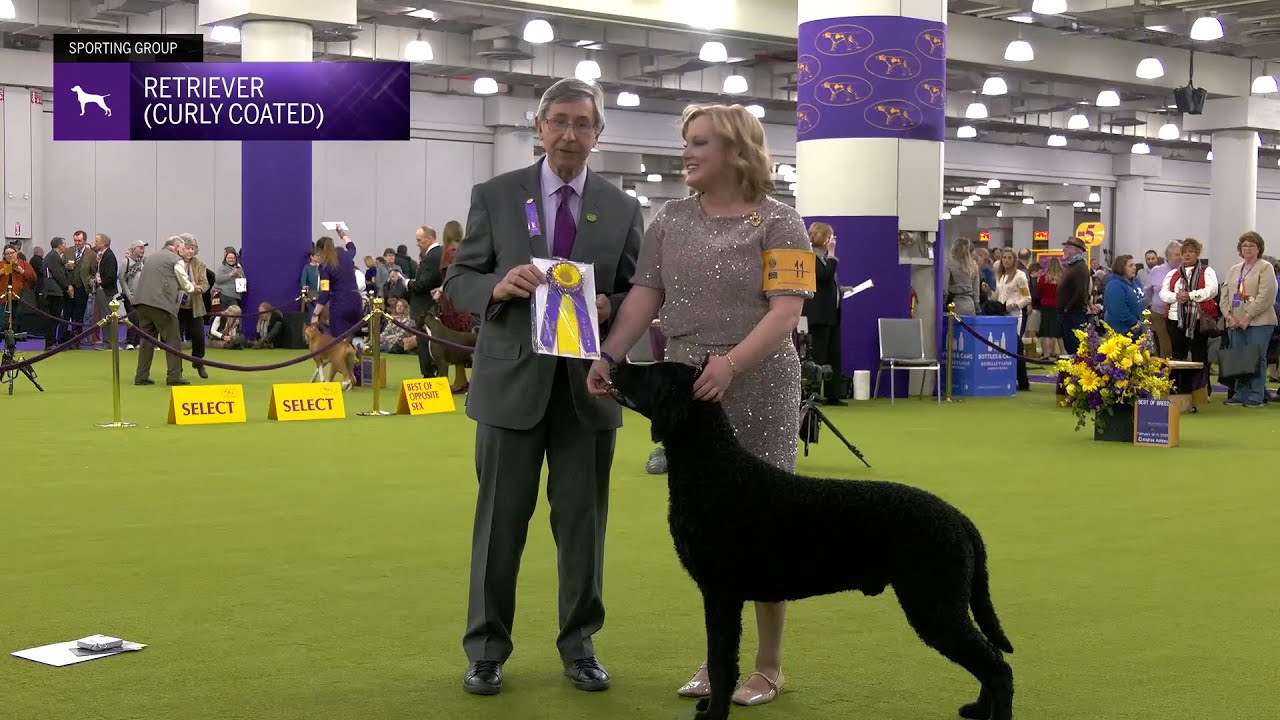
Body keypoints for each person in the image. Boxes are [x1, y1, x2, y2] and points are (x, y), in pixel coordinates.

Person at [587, 103, 816, 708]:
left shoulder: (782, 222)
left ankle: (767, 666)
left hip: (760, 382)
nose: (686, 153)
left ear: (737, 151)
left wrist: (731, 364)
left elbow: (786, 313)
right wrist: (609, 355)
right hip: (689, 389)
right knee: (708, 530)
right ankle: (719, 661)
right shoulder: (668, 220)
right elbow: (645, 297)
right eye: (686, 141)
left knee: (764, 524)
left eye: (700, 143)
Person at [443, 77, 643, 697]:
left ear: (598, 134)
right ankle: (485, 650)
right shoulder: (496, 195)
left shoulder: (622, 207)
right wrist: (497, 287)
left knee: (583, 527)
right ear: (538, 126)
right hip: (510, 386)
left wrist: (611, 305)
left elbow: (641, 292)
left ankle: (579, 646)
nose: (569, 134)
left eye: (582, 124)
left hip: (589, 390)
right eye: (559, 121)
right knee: (499, 526)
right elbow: (459, 281)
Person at [1219, 231, 1278, 408]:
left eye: (1251, 245)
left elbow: (1266, 296)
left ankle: (1256, 395)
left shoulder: (1265, 267)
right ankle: (1240, 393)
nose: (1247, 248)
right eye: (1244, 245)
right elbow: (1225, 294)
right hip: (1235, 322)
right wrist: (1228, 316)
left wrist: (1248, 316)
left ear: (1259, 248)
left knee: (1257, 358)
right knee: (1239, 358)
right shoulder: (1234, 269)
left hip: (1260, 322)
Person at [132, 236, 195, 387]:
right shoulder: (175, 260)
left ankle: (141, 376)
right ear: (176, 247)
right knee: (173, 340)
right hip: (161, 304)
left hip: (142, 303)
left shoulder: (151, 257)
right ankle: (174, 376)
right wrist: (192, 287)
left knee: (147, 341)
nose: (183, 251)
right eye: (182, 248)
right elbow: (183, 280)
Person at [802, 221, 845, 405]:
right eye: (831, 236)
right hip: (818, 315)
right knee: (818, 355)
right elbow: (824, 275)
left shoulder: (825, 258)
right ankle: (813, 393)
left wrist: (841, 290)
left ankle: (833, 394)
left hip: (832, 315)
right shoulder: (811, 257)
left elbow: (827, 284)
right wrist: (833, 254)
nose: (834, 240)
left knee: (834, 355)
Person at [310, 228, 363, 340]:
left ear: (319, 251)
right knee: (355, 337)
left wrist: (315, 314)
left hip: (340, 303)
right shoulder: (345, 255)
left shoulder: (324, 266)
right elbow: (352, 247)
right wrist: (342, 235)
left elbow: (325, 293)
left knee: (338, 341)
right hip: (356, 301)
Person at [1057, 237, 1092, 355]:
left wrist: (1067, 308)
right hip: (1069, 312)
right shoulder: (1074, 266)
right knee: (1069, 343)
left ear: (1076, 249)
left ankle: (1078, 365)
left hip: (1073, 313)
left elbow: (1081, 292)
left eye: (1067, 247)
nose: (1064, 250)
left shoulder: (1079, 267)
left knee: (1074, 344)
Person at [1103, 254, 1145, 337]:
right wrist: (1134, 321)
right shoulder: (1114, 285)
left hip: (1137, 328)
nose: (1134, 268)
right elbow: (1117, 309)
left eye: (1134, 265)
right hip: (1122, 330)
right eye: (1130, 265)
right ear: (1121, 268)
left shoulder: (1134, 282)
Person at [0, 244, 37, 331]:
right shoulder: (1, 265)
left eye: (12, 253)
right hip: (4, 298)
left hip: (20, 297)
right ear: (4, 255)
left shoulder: (24, 264)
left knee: (18, 320)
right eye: (7, 254)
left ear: (16, 253)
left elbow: (33, 279)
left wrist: (22, 271)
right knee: (3, 320)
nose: (10, 255)